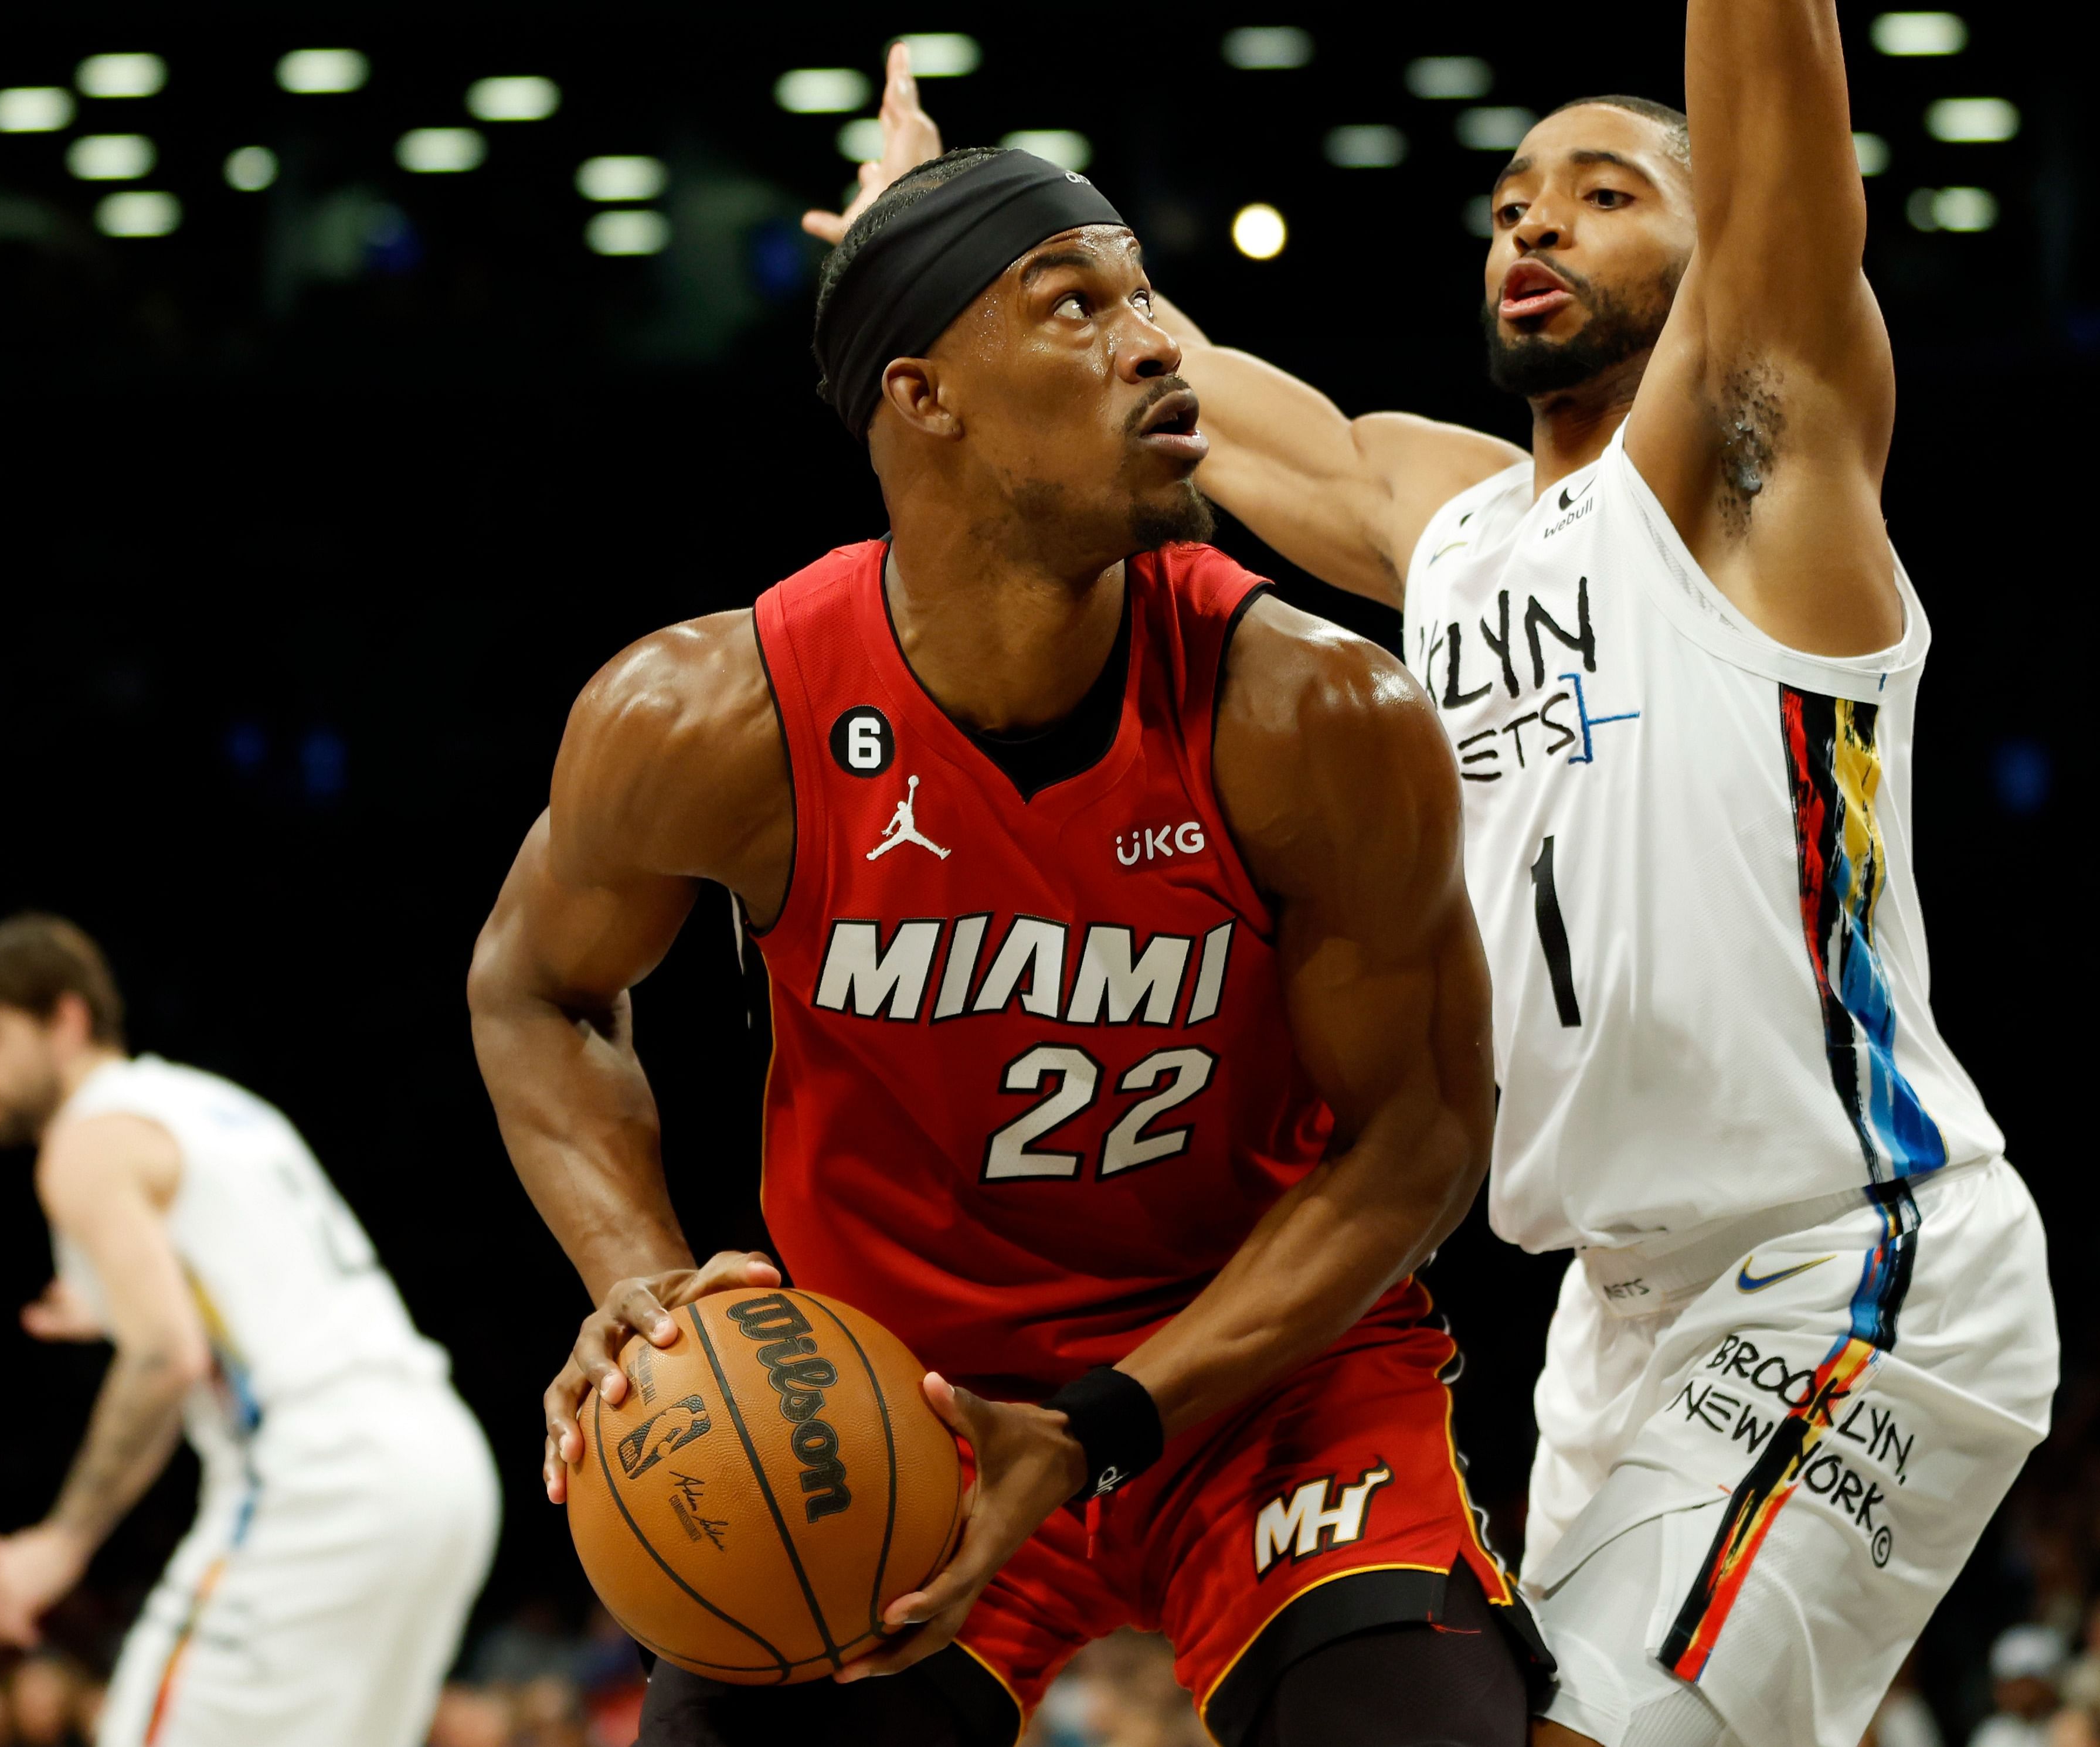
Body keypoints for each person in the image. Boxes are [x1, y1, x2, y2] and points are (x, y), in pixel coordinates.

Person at [813, 5, 2062, 1745]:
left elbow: (1784, 162)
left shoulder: (1762, 483)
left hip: (1848, 1248)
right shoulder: (1452, 524)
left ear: (1723, 258)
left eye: (1603, 193)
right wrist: (928, 226)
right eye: (1508, 202)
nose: (1531, 224)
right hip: (1613, 1310)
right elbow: (1156, 368)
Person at [470, 142, 1551, 1745]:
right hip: (892, 1408)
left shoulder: (1316, 714)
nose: (1154, 344)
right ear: (923, 396)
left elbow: (1419, 1138)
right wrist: (646, 1289)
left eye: (1141, 297)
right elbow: (536, 990)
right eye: (1075, 306)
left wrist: (1108, 1419)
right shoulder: (706, 716)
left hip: (1262, 1389)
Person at [0, 913, 501, 1747]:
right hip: (442, 1467)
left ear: (66, 1020)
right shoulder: (212, 1105)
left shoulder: (86, 1141)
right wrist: (110, 1308)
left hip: (320, 1478)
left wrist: (60, 1544)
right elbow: (243, 1286)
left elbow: (167, 1356)